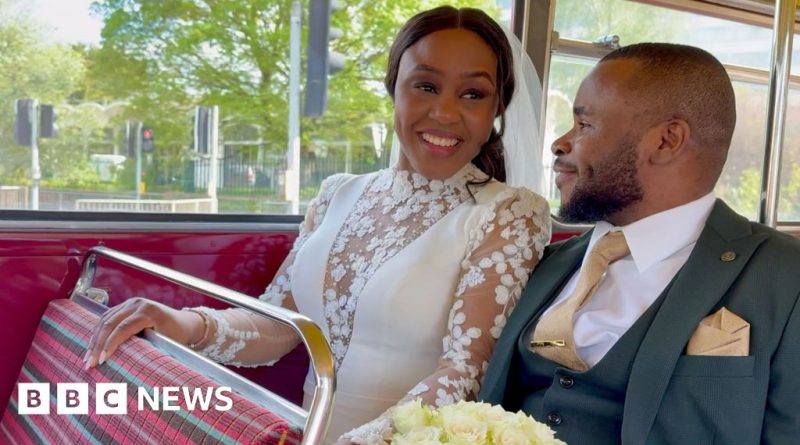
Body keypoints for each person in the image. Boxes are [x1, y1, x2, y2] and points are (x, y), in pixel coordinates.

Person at [84, 6, 551, 444]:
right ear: (394, 88)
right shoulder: (338, 193)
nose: (446, 113)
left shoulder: (508, 213)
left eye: (473, 94)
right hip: (299, 428)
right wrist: (179, 322)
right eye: (426, 86)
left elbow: (463, 374)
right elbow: (278, 328)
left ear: (496, 111)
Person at [479, 42, 800, 444]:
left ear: (667, 140)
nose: (560, 143)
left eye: (584, 125)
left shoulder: (786, 277)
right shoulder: (546, 260)